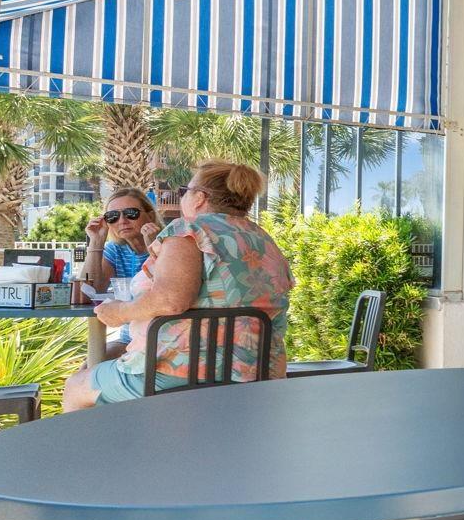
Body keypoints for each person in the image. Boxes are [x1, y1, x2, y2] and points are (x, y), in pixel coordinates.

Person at [63, 161, 294, 409]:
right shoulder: (261, 238)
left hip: (180, 371)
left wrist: (119, 312)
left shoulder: (188, 230)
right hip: (259, 370)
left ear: (199, 198)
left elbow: (170, 299)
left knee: (76, 386)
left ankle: (106, 448)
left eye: (185, 191)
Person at [80, 189, 160, 292]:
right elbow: (90, 291)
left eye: (131, 213)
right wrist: (96, 242)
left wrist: (156, 248)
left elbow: (171, 288)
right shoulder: (115, 250)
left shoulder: (172, 243)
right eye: (113, 216)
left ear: (150, 216)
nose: (122, 221)